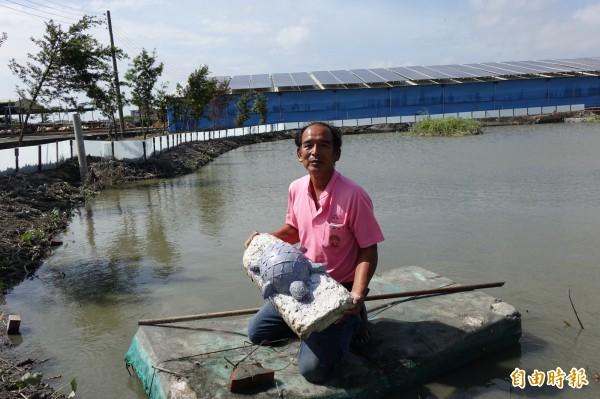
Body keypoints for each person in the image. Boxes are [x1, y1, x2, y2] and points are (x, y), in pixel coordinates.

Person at [244, 121, 384, 383]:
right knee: (257, 333)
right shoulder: (296, 189)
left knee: (313, 372)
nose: (315, 152)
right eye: (308, 145)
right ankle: (322, 330)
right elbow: (294, 230)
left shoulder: (354, 196)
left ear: (337, 154)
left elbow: (368, 248)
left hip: (339, 289)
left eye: (324, 145)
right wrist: (263, 237)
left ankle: (354, 318)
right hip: (304, 279)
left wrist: (357, 294)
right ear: (299, 154)